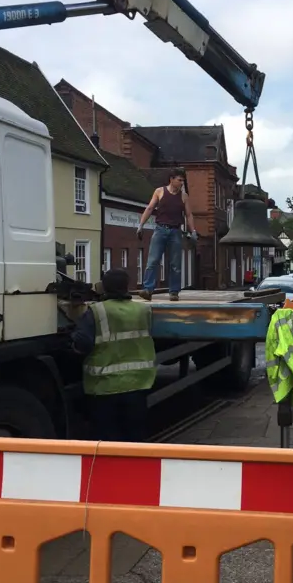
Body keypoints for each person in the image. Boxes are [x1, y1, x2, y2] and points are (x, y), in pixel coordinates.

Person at [71, 268, 156, 442]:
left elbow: (82, 345)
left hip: (104, 387)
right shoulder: (143, 310)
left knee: (107, 439)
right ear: (126, 287)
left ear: (104, 287)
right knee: (135, 436)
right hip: (138, 383)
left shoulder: (96, 312)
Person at [137, 168, 198, 301]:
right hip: (160, 230)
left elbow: (189, 215)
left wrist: (193, 231)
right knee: (153, 261)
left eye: (183, 180)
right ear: (171, 179)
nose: (182, 183)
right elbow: (150, 208)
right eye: (179, 180)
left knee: (175, 263)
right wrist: (141, 225)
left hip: (175, 231)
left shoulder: (184, 196)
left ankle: (174, 292)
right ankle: (148, 289)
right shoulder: (160, 191)